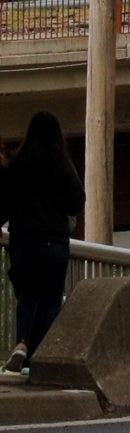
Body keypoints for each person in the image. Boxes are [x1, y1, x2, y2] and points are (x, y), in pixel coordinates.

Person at [4, 111, 85, 377]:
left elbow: (5, 202)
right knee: (51, 299)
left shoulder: (18, 164)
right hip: (54, 242)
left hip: (24, 242)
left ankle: (22, 343)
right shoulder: (62, 163)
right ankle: (36, 358)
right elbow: (77, 201)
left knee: (28, 295)